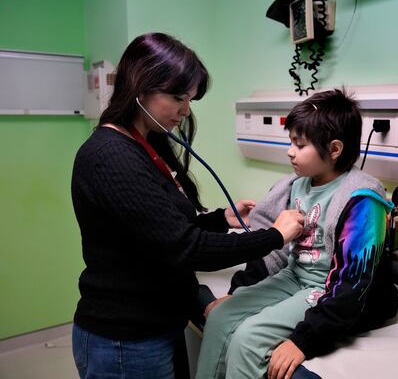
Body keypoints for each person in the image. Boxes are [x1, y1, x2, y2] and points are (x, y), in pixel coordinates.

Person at [70, 32, 304, 379]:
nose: (185, 110)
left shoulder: (143, 144)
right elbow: (186, 248)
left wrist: (222, 218)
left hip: (157, 325)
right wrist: (274, 236)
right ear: (139, 88)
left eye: (190, 99)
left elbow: (159, 227)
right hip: (125, 341)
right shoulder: (111, 157)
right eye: (177, 97)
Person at [195, 89, 398, 379]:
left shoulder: (362, 200)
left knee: (248, 339)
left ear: (335, 149)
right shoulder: (297, 184)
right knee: (219, 318)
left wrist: (303, 342)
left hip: (325, 288)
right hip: (293, 276)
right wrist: (238, 293)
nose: (290, 151)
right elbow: (274, 248)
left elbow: (353, 284)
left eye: (300, 144)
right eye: (291, 141)